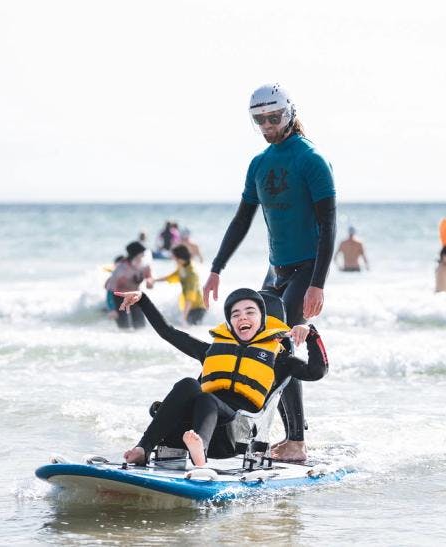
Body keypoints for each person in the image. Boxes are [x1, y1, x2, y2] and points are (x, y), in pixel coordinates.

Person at [202, 83, 337, 462]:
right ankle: (267, 431)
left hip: (307, 266)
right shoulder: (259, 163)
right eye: (259, 119)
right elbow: (242, 218)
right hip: (276, 271)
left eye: (273, 117)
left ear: (290, 113)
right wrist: (216, 268)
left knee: (278, 345)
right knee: (262, 344)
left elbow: (329, 224)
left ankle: (295, 440)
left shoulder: (311, 160)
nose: (267, 125)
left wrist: (317, 284)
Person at [115, 288, 329, 467]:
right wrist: (143, 300)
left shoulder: (280, 360)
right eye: (235, 314)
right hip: (188, 430)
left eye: (250, 312)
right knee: (188, 385)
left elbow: (317, 371)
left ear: (263, 320)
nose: (242, 317)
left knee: (207, 398)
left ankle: (200, 458)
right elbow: (168, 332)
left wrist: (311, 334)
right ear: (229, 323)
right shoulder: (212, 350)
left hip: (232, 436)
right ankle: (143, 448)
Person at [153, 244, 207, 325]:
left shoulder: (191, 274)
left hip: (197, 308)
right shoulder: (183, 267)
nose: (172, 258)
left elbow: (190, 297)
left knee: (191, 331)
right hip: (191, 307)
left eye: (174, 256)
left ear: (179, 258)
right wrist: (154, 280)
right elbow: (172, 277)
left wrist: (183, 317)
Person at [105, 241, 154, 329]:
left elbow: (149, 276)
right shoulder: (121, 269)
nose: (144, 255)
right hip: (120, 299)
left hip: (135, 297)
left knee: (140, 327)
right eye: (142, 253)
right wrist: (112, 309)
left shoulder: (145, 265)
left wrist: (150, 281)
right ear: (135, 254)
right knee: (124, 328)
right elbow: (110, 290)